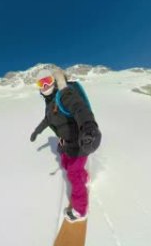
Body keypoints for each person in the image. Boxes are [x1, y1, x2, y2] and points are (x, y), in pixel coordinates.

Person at [30, 67, 102, 222]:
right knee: (65, 164)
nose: (45, 87)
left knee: (73, 174)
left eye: (48, 81)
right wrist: (37, 131)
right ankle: (85, 177)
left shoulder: (64, 94)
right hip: (67, 144)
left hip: (80, 142)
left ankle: (80, 210)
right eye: (41, 84)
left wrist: (88, 125)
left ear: (54, 81)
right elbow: (47, 120)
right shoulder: (49, 104)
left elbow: (79, 107)